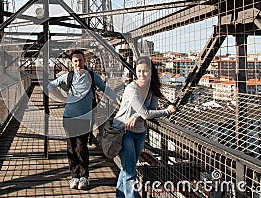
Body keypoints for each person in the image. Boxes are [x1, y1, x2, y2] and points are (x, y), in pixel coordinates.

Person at [47, 49, 121, 190]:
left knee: (81, 147)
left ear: (84, 61)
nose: (78, 63)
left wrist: (117, 99)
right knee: (71, 147)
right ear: (72, 63)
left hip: (84, 118)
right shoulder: (68, 76)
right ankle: (74, 175)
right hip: (69, 117)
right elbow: (50, 86)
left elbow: (105, 88)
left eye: (80, 60)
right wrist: (62, 98)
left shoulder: (92, 76)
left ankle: (84, 176)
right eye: (75, 61)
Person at [112, 56, 176, 197]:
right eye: (139, 71)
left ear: (151, 72)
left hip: (140, 132)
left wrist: (136, 116)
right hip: (124, 131)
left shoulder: (152, 90)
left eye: (145, 71)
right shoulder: (132, 88)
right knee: (130, 172)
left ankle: (120, 195)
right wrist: (166, 111)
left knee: (127, 168)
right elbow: (147, 113)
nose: (142, 74)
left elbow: (149, 111)